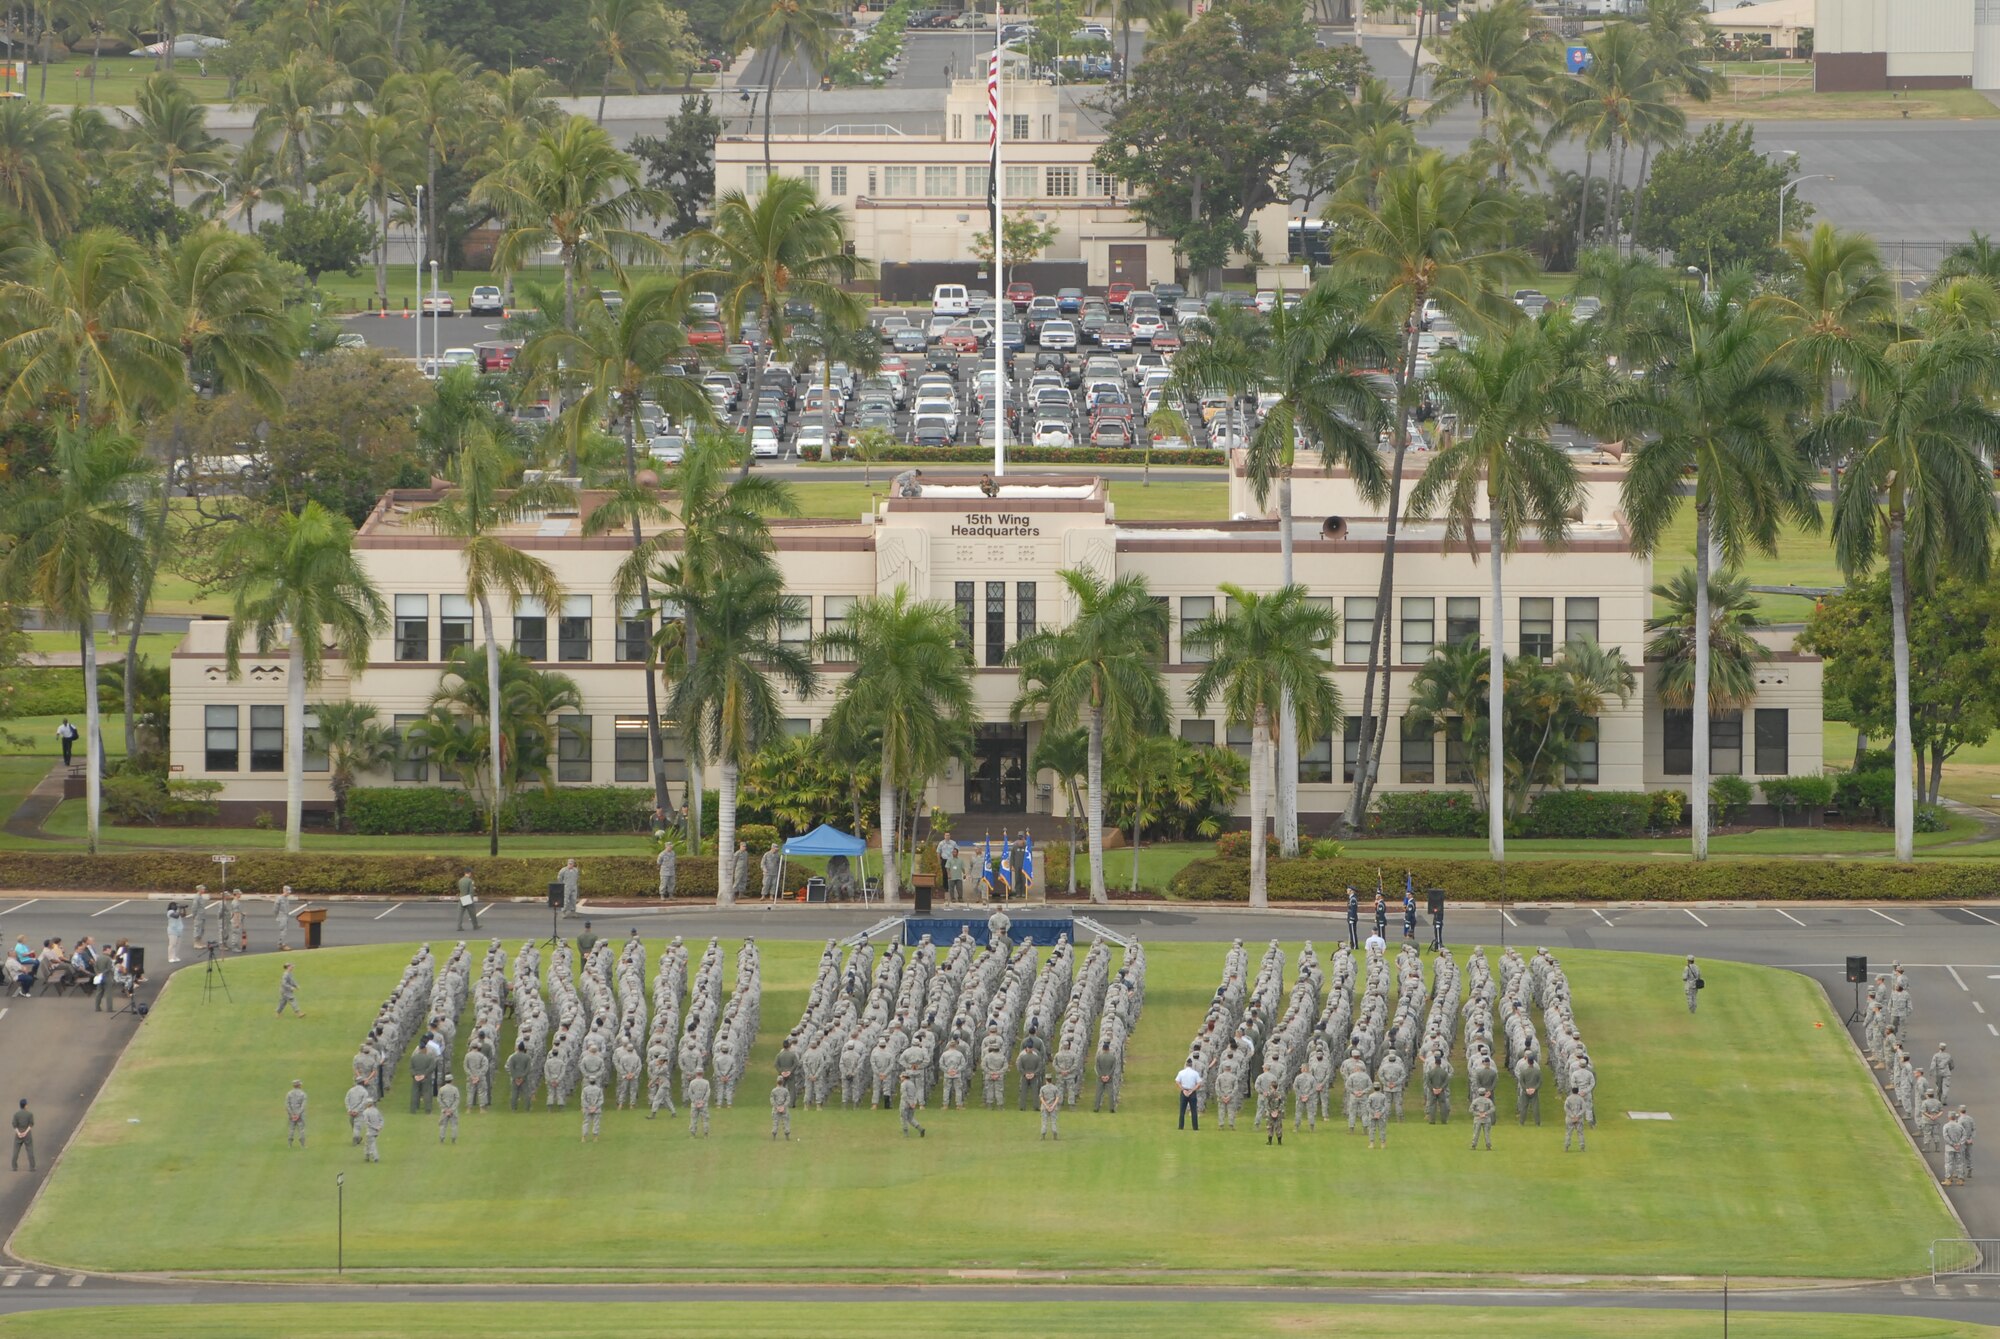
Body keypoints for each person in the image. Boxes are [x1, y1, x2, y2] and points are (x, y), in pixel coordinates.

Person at [1175, 1058, 1203, 1131]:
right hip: (1192, 1092)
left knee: (1182, 1110)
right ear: (1191, 1065)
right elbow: (1199, 1083)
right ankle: (1195, 1127)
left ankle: (1181, 1126)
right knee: (1194, 1110)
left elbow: (1177, 1081)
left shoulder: (1181, 1072)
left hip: (1184, 1091)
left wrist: (1183, 1089)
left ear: (1186, 1065)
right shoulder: (1195, 1073)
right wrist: (1193, 1090)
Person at [899, 1072, 926, 1138]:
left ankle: (906, 1134)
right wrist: (913, 1103)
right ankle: (920, 1129)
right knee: (910, 1118)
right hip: (912, 1103)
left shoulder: (903, 1084)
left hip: (905, 1104)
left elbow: (904, 1095)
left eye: (901, 1076)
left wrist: (909, 1103)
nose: (900, 1077)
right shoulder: (912, 1084)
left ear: (904, 1077)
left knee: (903, 1118)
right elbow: (915, 1094)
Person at [687, 1069, 711, 1137]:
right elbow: (708, 1093)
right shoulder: (706, 1082)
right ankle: (706, 1133)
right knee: (705, 1119)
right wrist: (703, 1101)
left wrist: (694, 1101)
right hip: (704, 1104)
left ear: (696, 1074)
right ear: (702, 1073)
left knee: (693, 1118)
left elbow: (690, 1092)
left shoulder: (692, 1082)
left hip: (694, 1104)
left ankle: (693, 1133)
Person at [10, 1100, 32, 1172]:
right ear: (25, 1105)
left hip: (18, 1134)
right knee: (29, 1150)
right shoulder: (29, 1114)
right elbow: (30, 1125)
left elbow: (14, 1125)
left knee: (16, 1151)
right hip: (27, 1134)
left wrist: (18, 1133)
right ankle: (32, 1166)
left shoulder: (16, 1114)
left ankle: (14, 1166)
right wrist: (25, 1132)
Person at [1564, 1086, 1588, 1152]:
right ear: (1578, 1091)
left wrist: (1572, 1116)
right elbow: (1584, 1108)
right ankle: (1582, 1148)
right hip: (1579, 1119)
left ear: (1572, 1091)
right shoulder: (1581, 1099)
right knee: (1580, 1133)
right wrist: (1578, 1116)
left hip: (1570, 1119)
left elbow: (1566, 1108)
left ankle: (1566, 1147)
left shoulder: (1568, 1098)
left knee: (1568, 1133)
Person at [361, 1098, 384, 1163]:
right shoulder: (376, 1110)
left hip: (370, 1131)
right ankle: (366, 1156)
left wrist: (375, 1127)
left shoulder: (366, 1112)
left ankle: (375, 1157)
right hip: (376, 1131)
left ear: (368, 1104)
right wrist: (380, 1126)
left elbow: (367, 1122)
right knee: (367, 1144)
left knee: (372, 1144)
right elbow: (381, 1119)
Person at [274, 886, 297, 951]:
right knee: (283, 931)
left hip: (286, 916)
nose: (289, 893)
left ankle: (280, 943)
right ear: (284, 891)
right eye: (288, 892)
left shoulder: (286, 898)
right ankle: (282, 944)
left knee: (285, 930)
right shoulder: (279, 898)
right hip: (281, 916)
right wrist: (277, 916)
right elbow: (275, 909)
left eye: (289, 892)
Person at [285, 1081, 307, 1148]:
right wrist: (298, 1114)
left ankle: (289, 1145)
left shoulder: (289, 1093)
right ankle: (302, 1145)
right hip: (300, 1115)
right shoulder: (303, 1094)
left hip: (291, 1114)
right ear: (299, 1085)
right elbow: (303, 1106)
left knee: (291, 1129)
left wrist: (291, 1114)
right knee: (301, 1130)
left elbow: (287, 1105)